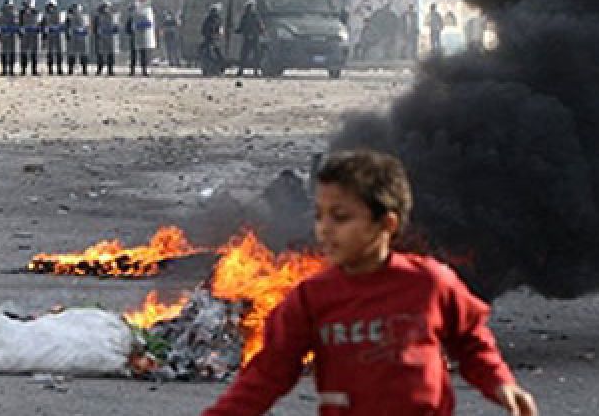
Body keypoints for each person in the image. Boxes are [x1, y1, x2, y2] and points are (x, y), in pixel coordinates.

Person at [203, 149, 539, 416]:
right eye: (319, 216)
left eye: (341, 217)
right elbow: (266, 376)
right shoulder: (312, 298)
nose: (324, 230)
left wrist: (499, 382)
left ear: (387, 224)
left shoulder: (429, 284)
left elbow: (470, 340)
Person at [126, 0, 156, 76]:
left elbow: (149, 23)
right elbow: (128, 26)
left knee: (143, 54)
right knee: (134, 55)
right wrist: (131, 32)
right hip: (134, 36)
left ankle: (144, 70)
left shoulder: (146, 11)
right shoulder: (133, 13)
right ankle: (133, 70)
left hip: (143, 36)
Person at [235, 0, 265, 77]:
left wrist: (260, 31)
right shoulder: (248, 16)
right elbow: (242, 27)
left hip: (254, 38)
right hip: (249, 38)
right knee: (245, 55)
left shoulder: (254, 16)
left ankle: (254, 71)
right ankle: (242, 70)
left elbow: (260, 26)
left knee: (254, 55)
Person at [92, 0, 121, 76]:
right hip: (101, 38)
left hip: (110, 38)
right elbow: (94, 28)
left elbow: (116, 27)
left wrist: (114, 30)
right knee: (100, 55)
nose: (106, 8)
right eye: (105, 7)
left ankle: (110, 70)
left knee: (110, 54)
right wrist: (97, 34)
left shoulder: (112, 16)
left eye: (107, 7)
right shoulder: (97, 16)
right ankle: (99, 69)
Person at [41, 0, 66, 76]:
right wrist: (44, 36)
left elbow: (64, 25)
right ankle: (50, 69)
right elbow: (42, 26)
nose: (50, 8)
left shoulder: (60, 15)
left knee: (60, 54)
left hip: (58, 36)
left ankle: (59, 69)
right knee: (50, 54)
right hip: (50, 36)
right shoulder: (45, 16)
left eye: (52, 6)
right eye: (49, 6)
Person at [0, 0, 21, 76]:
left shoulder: (15, 15)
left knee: (12, 54)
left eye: (9, 6)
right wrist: (0, 36)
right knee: (4, 54)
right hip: (4, 37)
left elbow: (17, 25)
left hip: (12, 37)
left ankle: (11, 70)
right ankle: (4, 70)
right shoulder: (1, 16)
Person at [66, 3, 91, 75]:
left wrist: (84, 31)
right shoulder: (69, 17)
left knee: (83, 54)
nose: (76, 10)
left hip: (82, 38)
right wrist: (69, 34)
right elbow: (67, 27)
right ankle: (70, 70)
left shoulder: (85, 17)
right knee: (71, 54)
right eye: (75, 9)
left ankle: (84, 70)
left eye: (78, 9)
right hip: (73, 38)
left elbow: (88, 28)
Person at [19, 0, 41, 76]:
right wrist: (21, 31)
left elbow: (39, 23)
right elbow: (20, 23)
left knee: (34, 53)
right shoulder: (21, 12)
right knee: (24, 53)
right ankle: (23, 70)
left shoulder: (36, 12)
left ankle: (34, 70)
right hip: (25, 35)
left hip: (34, 35)